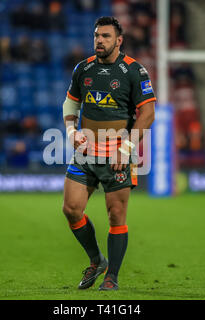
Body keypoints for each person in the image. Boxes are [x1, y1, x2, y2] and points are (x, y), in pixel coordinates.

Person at [61, 16, 156, 291]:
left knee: (116, 216)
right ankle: (96, 259)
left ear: (119, 40)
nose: (99, 41)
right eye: (96, 36)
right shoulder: (83, 68)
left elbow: (148, 114)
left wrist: (125, 149)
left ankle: (111, 276)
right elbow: (70, 103)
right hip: (86, 151)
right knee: (71, 209)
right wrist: (70, 133)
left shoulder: (134, 71)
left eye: (105, 36)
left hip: (118, 153)